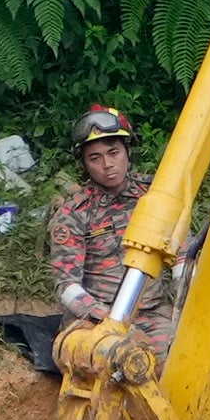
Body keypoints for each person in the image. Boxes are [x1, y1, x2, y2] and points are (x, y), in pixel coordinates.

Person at [50, 106, 140, 323]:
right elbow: (66, 285)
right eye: (95, 158)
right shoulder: (74, 213)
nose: (107, 165)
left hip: (153, 314)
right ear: (84, 164)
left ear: (127, 152)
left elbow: (185, 257)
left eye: (113, 153)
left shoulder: (154, 196)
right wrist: (106, 318)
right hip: (95, 318)